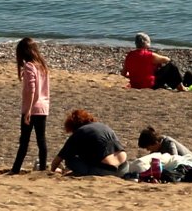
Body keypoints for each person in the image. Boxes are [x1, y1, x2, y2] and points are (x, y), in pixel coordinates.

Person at [10, 38, 50, 175]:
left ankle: (15, 169)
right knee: (41, 140)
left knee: (24, 141)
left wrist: (28, 111)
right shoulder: (42, 66)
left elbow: (32, 90)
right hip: (43, 107)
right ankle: (43, 168)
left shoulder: (29, 66)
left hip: (32, 109)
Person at [55, 108, 126, 177]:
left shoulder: (80, 131)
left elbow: (60, 157)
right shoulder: (103, 126)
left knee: (69, 159)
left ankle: (84, 172)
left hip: (105, 171)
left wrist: (52, 171)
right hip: (123, 167)